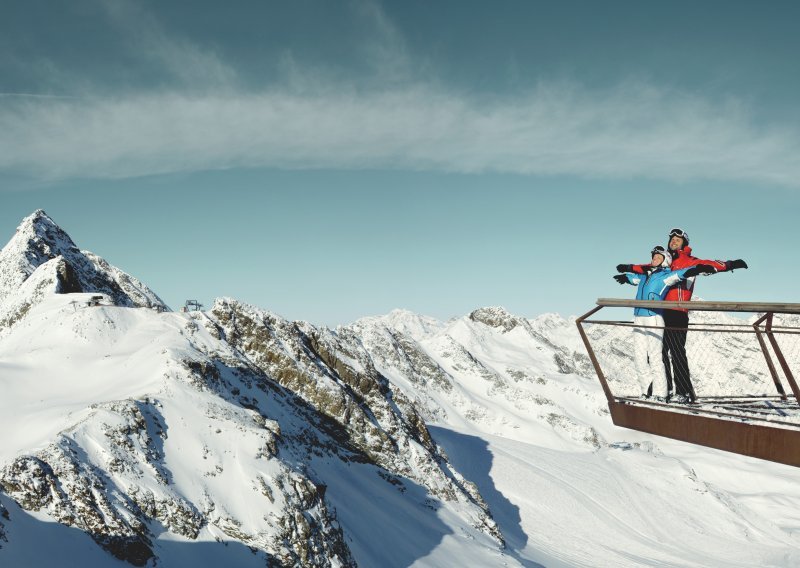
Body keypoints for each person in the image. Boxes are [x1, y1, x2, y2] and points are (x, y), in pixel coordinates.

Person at [616, 229, 747, 403]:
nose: (674, 242)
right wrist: (629, 268)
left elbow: (710, 265)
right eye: (672, 239)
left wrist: (729, 265)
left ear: (685, 242)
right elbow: (648, 268)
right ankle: (665, 389)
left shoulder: (691, 261)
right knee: (659, 352)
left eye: (678, 239)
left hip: (678, 311)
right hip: (660, 311)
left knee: (677, 352)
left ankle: (683, 392)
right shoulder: (666, 261)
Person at [613, 246, 717, 402]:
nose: (654, 258)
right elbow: (633, 278)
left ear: (665, 260)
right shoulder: (644, 276)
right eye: (653, 256)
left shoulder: (665, 276)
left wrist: (697, 269)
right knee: (640, 356)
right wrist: (625, 276)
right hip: (639, 317)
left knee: (656, 356)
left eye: (658, 256)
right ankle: (646, 391)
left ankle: (661, 393)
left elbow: (681, 274)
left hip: (654, 316)